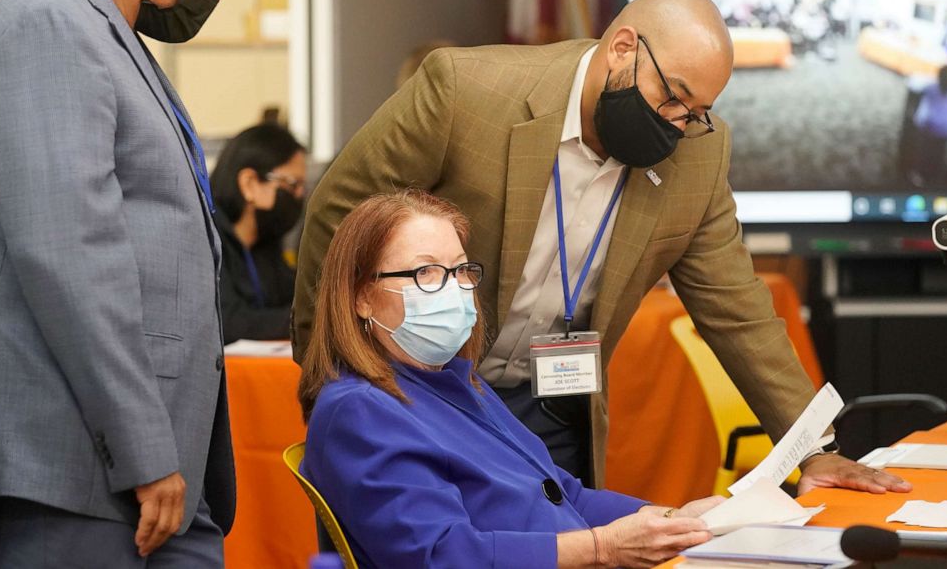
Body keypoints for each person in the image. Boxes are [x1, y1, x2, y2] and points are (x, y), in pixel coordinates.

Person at [293, 0, 908, 496]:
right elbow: (339, 215)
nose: (677, 124)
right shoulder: (465, 93)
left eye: (696, 113)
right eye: (670, 97)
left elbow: (738, 308)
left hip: (554, 405)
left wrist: (814, 451)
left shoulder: (697, 155)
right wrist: (331, 378)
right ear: (622, 49)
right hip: (420, 393)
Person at [0, 0, 239, 565]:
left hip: (142, 467)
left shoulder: (97, 30)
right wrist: (145, 448)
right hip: (80, 466)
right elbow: (70, 255)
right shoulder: (46, 25)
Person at [300, 189, 722, 568]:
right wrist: (602, 548)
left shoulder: (457, 385)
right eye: (425, 273)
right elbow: (442, 555)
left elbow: (562, 493)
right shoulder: (359, 410)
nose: (455, 289)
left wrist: (673, 521)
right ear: (360, 298)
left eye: (461, 270)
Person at [210, 123, 307, 343]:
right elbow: (228, 322)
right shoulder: (207, 238)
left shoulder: (266, 241)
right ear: (250, 183)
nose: (299, 196)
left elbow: (291, 298)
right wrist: (308, 320)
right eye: (292, 185)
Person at [910, 64, 947, 186]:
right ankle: (936, 179)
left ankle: (919, 177)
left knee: (924, 152)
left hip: (932, 127)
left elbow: (916, 87)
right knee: (939, 154)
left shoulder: (932, 88)